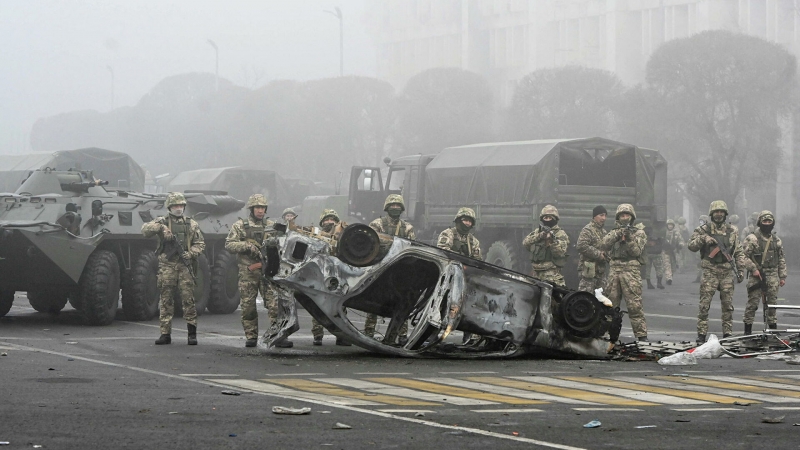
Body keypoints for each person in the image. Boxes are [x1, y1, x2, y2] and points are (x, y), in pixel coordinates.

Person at [224, 194, 293, 348]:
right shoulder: (241, 226)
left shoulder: (271, 225)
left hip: (268, 271)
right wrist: (247, 246)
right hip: (248, 271)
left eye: (262, 208)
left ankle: (279, 336)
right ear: (252, 209)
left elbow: (285, 242)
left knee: (275, 305)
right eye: (257, 208)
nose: (260, 211)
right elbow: (229, 245)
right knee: (248, 306)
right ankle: (251, 336)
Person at [142, 192, 205, 345]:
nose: (178, 208)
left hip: (184, 265)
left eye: (181, 205)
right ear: (169, 207)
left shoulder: (191, 224)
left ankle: (191, 333)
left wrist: (190, 254)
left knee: (188, 299)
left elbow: (200, 244)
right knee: (166, 299)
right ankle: (165, 333)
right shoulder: (162, 221)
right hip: (167, 265)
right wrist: (161, 228)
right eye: (175, 206)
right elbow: (145, 230)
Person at [687, 200, 754, 344]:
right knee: (704, 305)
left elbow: (738, 252)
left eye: (721, 212)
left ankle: (727, 333)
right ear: (712, 214)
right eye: (716, 212)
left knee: (727, 306)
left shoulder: (732, 231)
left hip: (726, 272)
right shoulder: (703, 230)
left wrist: (740, 270)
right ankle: (701, 333)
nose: (719, 214)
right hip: (710, 271)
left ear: (725, 214)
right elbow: (691, 246)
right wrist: (703, 239)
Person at [365, 194, 416, 345]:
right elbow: (370, 244)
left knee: (403, 302)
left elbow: (412, 248)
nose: (395, 208)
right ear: (387, 208)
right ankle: (369, 333)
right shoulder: (377, 224)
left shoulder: (407, 228)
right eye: (392, 205)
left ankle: (402, 335)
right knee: (373, 301)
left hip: (400, 271)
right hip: (379, 268)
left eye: (398, 206)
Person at [599, 204, 649, 342]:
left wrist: (629, 238)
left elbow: (636, 251)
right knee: (610, 305)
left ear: (632, 217)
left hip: (631, 270)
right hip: (614, 270)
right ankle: (610, 335)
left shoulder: (639, 233)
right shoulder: (614, 231)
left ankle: (641, 336)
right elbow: (604, 244)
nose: (624, 218)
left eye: (627, 215)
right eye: (622, 215)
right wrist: (617, 234)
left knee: (634, 305)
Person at [438, 207, 482, 343]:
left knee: (467, 307)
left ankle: (468, 336)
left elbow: (478, 260)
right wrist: (460, 257)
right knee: (442, 306)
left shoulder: (473, 241)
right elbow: (442, 250)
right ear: (458, 220)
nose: (467, 223)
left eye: (469, 221)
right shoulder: (448, 233)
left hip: (464, 278)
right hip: (447, 277)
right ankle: (433, 334)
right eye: (464, 220)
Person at [742, 210, 787, 334]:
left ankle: (773, 332)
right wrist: (754, 269)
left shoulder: (776, 240)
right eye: (764, 221)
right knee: (753, 304)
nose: (767, 224)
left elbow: (781, 258)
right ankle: (747, 332)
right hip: (757, 276)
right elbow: (742, 257)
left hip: (772, 275)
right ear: (759, 222)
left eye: (769, 221)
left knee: (772, 305)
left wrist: (782, 276)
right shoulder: (752, 238)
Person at [312, 209, 351, 346]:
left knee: (340, 306)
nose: (330, 222)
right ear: (322, 222)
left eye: (332, 219)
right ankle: (317, 335)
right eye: (327, 220)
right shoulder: (315, 235)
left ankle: (342, 336)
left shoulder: (343, 235)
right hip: (320, 274)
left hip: (338, 275)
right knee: (318, 303)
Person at [522, 205, 570, 286]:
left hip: (551, 275)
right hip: (535, 274)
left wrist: (551, 241)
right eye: (545, 218)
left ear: (554, 219)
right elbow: (525, 243)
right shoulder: (538, 232)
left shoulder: (560, 234)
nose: (547, 220)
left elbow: (560, 252)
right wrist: (539, 236)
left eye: (549, 218)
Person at [576, 205, 608, 292]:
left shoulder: (604, 232)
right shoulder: (588, 230)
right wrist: (598, 254)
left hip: (600, 272)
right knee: (587, 298)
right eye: (601, 215)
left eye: (605, 215)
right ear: (594, 216)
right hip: (588, 271)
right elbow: (581, 245)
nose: (604, 218)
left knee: (601, 299)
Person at [663, 219, 685, 285]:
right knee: (667, 265)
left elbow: (681, 240)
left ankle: (670, 276)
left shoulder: (676, 233)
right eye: (669, 225)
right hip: (666, 251)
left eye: (671, 225)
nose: (670, 226)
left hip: (674, 252)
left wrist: (681, 245)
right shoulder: (664, 233)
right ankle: (668, 278)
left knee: (673, 267)